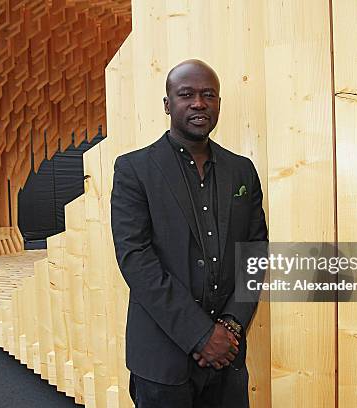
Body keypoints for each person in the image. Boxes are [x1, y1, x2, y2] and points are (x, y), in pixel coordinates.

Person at [111, 59, 268, 408]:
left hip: (228, 357)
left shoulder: (242, 171)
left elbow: (256, 252)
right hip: (162, 360)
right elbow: (136, 260)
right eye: (187, 94)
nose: (199, 103)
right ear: (168, 105)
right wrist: (201, 335)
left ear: (218, 105)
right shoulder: (133, 170)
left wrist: (231, 326)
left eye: (208, 95)